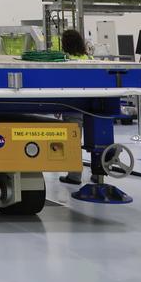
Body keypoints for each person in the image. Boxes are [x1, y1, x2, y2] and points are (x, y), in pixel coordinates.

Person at [59, 28, 92, 185]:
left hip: (72, 105)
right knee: (88, 139)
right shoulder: (88, 58)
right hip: (89, 105)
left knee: (73, 141)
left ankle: (74, 175)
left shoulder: (65, 61)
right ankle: (97, 173)